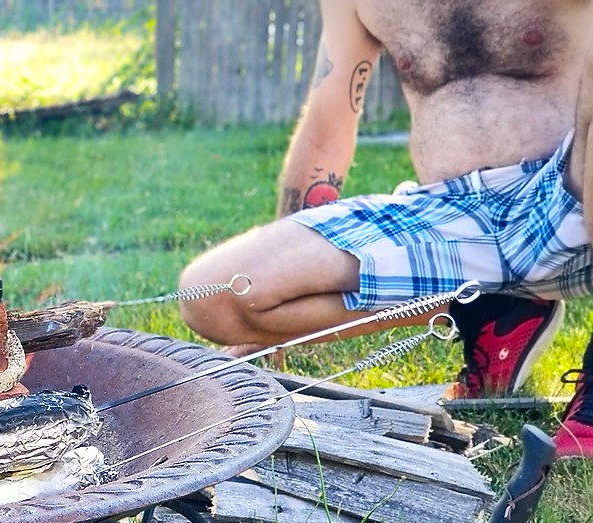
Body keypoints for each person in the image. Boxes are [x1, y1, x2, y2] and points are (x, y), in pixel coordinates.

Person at [177, 0, 593, 458]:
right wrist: (271, 319)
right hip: (450, 214)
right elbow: (327, 124)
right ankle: (485, 309)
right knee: (213, 295)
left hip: (567, 199)